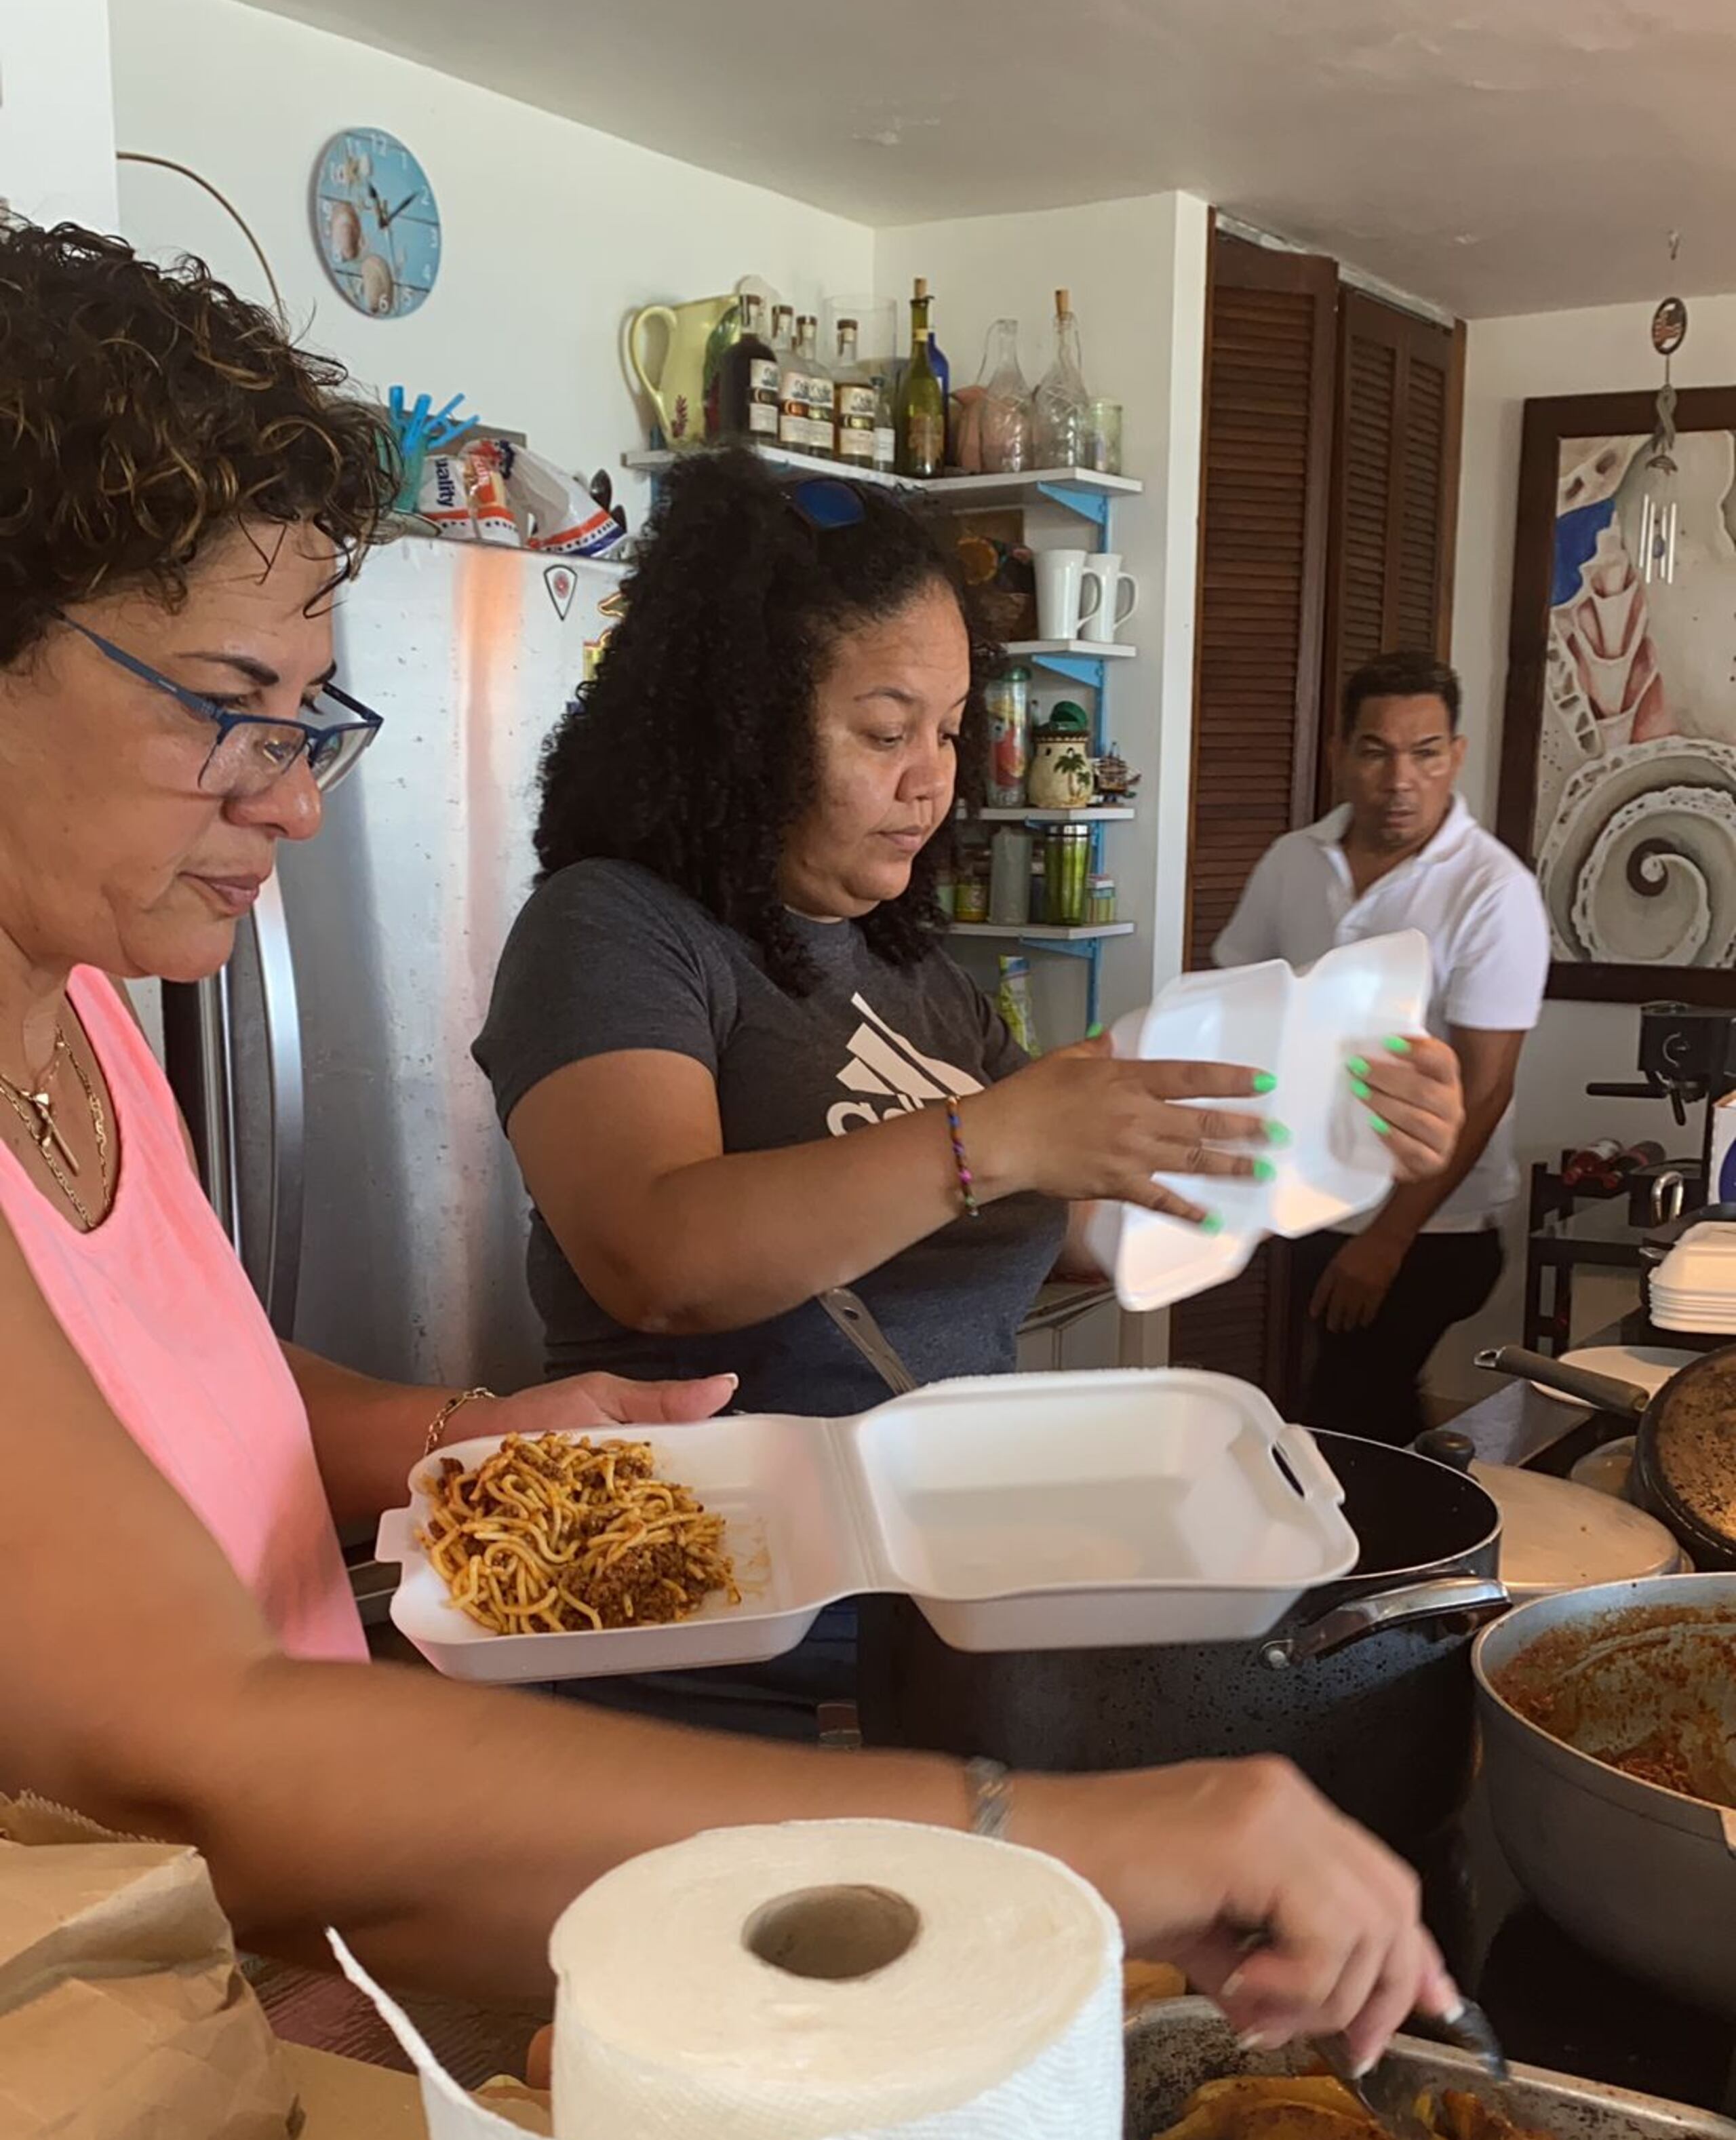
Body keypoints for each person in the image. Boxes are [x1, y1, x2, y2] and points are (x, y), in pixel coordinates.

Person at [0, 218, 1455, 2067]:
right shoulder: (619, 928)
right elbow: (187, 1745)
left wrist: (452, 1433)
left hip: (252, 1991)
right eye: (226, 707)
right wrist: (1047, 1839)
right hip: (115, 2021)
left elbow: (172, 1379)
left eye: (310, 719)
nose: (289, 795)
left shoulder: (95, 1007)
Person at [475, 460, 1461, 1732]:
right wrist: (991, 1134)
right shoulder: (611, 928)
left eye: (947, 730)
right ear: (741, 722)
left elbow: (1077, 1230)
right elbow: (659, 1255)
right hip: (712, 1654)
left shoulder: (914, 971)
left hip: (948, 1633)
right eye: (886, 732)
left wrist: (1319, 1137)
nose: (933, 780)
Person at [1217, 651, 1550, 1447]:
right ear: (1340, 753)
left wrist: (1387, 1241)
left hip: (1434, 1228)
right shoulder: (1294, 861)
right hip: (1308, 1197)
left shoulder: (1492, 892)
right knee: (1354, 1408)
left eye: (1425, 752)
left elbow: (1487, 1087)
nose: (1400, 778)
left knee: (1344, 1421)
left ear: (1455, 756)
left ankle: (1391, 1564)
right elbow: (1238, 1006)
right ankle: (1430, 1540)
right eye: (1376, 750)